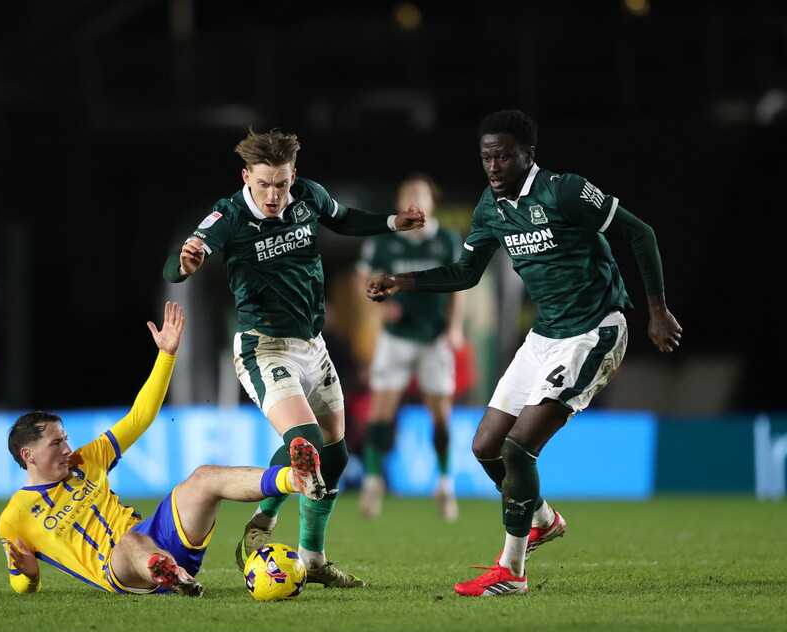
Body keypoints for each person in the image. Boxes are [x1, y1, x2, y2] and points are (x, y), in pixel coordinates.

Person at [366, 110, 683, 597]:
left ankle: (512, 571)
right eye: (486, 156)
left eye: (503, 155)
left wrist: (656, 310)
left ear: (528, 154)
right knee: (485, 447)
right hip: (544, 336)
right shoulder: (490, 209)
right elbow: (465, 274)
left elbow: (641, 233)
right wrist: (401, 282)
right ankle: (542, 518)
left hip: (593, 330)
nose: (493, 165)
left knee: (518, 449)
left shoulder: (565, 191)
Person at [162, 127, 426, 588]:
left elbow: (343, 219)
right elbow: (179, 261)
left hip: (312, 345)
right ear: (246, 176)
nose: (273, 194)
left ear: (293, 175)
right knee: (306, 442)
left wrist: (391, 223)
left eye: (281, 183)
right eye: (263, 183)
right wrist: (185, 264)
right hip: (264, 348)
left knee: (337, 456)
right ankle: (261, 526)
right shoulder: (227, 216)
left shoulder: (308, 196)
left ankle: (314, 558)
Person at [0, 301, 325, 597]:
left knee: (204, 476)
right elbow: (22, 584)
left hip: (155, 533)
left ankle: (298, 480)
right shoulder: (15, 517)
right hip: (120, 569)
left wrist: (166, 355)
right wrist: (28, 576)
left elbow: (140, 417)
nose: (68, 447)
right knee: (129, 542)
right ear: (29, 456)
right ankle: (165, 571)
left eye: (66, 438)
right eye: (56, 443)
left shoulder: (88, 458)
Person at [354, 173, 467, 522]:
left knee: (441, 416)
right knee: (380, 414)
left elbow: (459, 286)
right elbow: (364, 280)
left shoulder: (447, 240)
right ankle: (374, 480)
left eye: (421, 194)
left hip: (434, 338)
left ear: (433, 202)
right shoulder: (385, 241)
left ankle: (445, 484)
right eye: (408, 194)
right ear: (401, 204)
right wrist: (379, 304)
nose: (415, 199)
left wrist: (455, 328)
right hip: (396, 337)